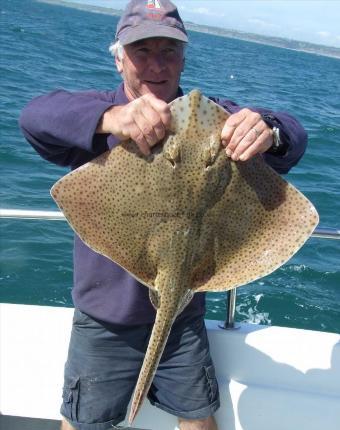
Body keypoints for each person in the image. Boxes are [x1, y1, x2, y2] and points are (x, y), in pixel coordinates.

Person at [19, 1, 307, 429]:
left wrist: (268, 129)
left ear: (184, 59)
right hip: (106, 320)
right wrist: (112, 118)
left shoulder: (213, 116)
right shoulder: (101, 117)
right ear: (119, 60)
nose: (156, 64)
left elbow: (294, 137)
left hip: (182, 317)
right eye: (142, 51)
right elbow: (34, 118)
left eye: (169, 51)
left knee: (198, 419)